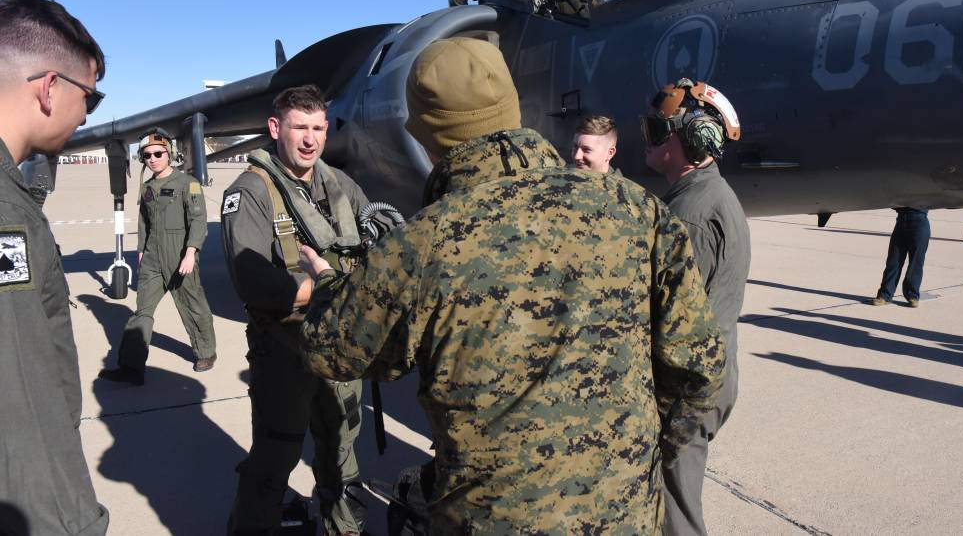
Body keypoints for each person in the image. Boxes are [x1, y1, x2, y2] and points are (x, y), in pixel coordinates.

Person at [299, 37, 726, 532]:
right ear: (511, 108)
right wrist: (645, 459)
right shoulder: (638, 210)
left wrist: (331, 283)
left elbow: (334, 350)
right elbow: (699, 367)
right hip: (624, 515)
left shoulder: (421, 243)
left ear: (422, 133)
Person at [221, 85, 369, 536]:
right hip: (284, 348)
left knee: (341, 451)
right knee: (275, 456)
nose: (310, 139)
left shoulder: (340, 185)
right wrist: (329, 285)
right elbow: (254, 283)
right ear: (275, 129)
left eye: (318, 128)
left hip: (339, 345)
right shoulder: (250, 191)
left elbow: (375, 243)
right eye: (299, 127)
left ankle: (344, 529)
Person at [0, 0, 109, 534]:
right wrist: (71, 522)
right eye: (90, 95)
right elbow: (19, 407)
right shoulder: (5, 214)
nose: (86, 114)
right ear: (49, 87)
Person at [641, 78, 751, 536]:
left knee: (675, 516)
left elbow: (672, 319)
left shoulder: (691, 216)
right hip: (701, 381)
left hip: (684, 391)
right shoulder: (704, 197)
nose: (646, 138)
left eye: (656, 130)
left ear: (689, 141)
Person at [99, 128, 217, 385]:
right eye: (146, 155)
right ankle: (131, 368)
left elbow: (198, 221)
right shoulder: (148, 187)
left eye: (157, 153)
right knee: (142, 312)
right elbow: (144, 222)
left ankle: (206, 353)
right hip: (152, 257)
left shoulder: (188, 184)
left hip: (180, 255)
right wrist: (141, 251)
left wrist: (190, 253)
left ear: (170, 154)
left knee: (193, 306)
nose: (152, 159)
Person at [871, 208, 930, 308]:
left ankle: (913, 295)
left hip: (920, 221)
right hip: (901, 222)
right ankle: (885, 295)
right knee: (893, 261)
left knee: (916, 263)